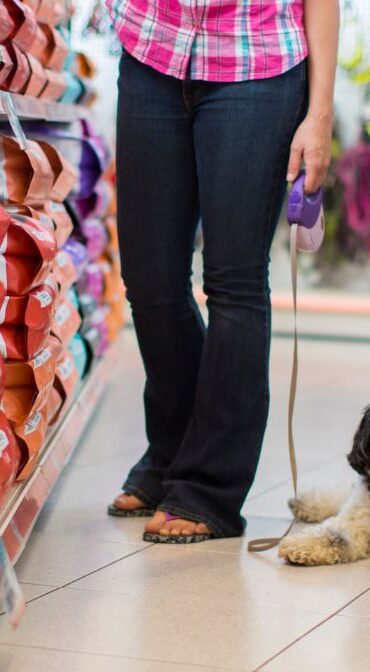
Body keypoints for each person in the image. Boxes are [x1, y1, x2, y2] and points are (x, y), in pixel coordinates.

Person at [105, 0, 339, 542]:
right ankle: (172, 452)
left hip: (257, 64)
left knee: (233, 281)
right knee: (150, 279)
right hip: (152, 47)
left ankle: (208, 488)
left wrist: (319, 113)